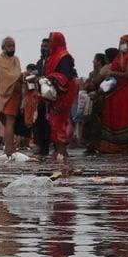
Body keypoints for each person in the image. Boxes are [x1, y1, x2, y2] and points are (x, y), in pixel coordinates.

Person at [98, 34, 128, 155]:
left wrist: (112, 72)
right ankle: (113, 146)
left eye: (124, 42)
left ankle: (126, 146)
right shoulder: (119, 57)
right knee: (113, 117)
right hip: (115, 91)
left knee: (124, 118)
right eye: (120, 42)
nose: (122, 44)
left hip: (126, 91)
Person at [41, 32, 78, 164]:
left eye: (51, 41)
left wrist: (52, 79)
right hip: (54, 91)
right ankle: (59, 149)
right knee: (54, 120)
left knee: (59, 120)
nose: (49, 43)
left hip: (64, 91)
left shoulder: (64, 56)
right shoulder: (52, 56)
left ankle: (62, 150)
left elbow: (66, 75)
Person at [0, 37, 23, 159]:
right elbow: (6, 76)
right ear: (3, 47)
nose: (12, 48)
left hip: (17, 93)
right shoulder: (0, 60)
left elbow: (18, 73)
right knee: (9, 121)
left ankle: (10, 147)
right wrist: (19, 76)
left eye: (13, 45)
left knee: (11, 121)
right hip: (7, 93)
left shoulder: (16, 59)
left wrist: (21, 76)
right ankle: (8, 148)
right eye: (9, 46)